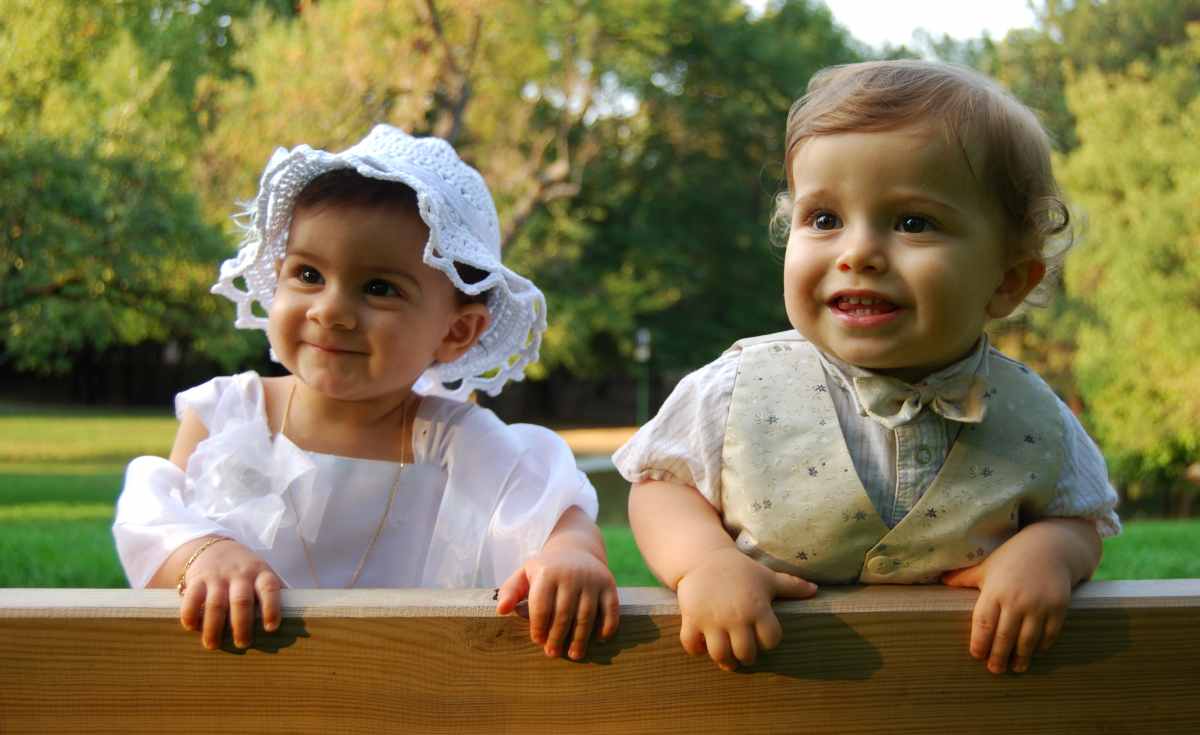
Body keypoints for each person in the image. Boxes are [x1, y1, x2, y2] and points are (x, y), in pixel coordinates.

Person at [614, 60, 1120, 675]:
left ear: (1007, 280)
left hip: (959, 700)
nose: (857, 254)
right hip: (768, 686)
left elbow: (1081, 519)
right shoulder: (734, 388)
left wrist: (1048, 553)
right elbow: (662, 488)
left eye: (913, 223)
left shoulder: (1034, 414)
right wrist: (703, 562)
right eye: (824, 219)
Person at [113, 125, 618, 659]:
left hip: (403, 681)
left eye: (379, 288)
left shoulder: (457, 443)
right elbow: (153, 518)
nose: (329, 310)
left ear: (455, 331)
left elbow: (558, 513)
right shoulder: (227, 416)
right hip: (238, 680)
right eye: (307, 273)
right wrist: (201, 553)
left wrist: (571, 555)